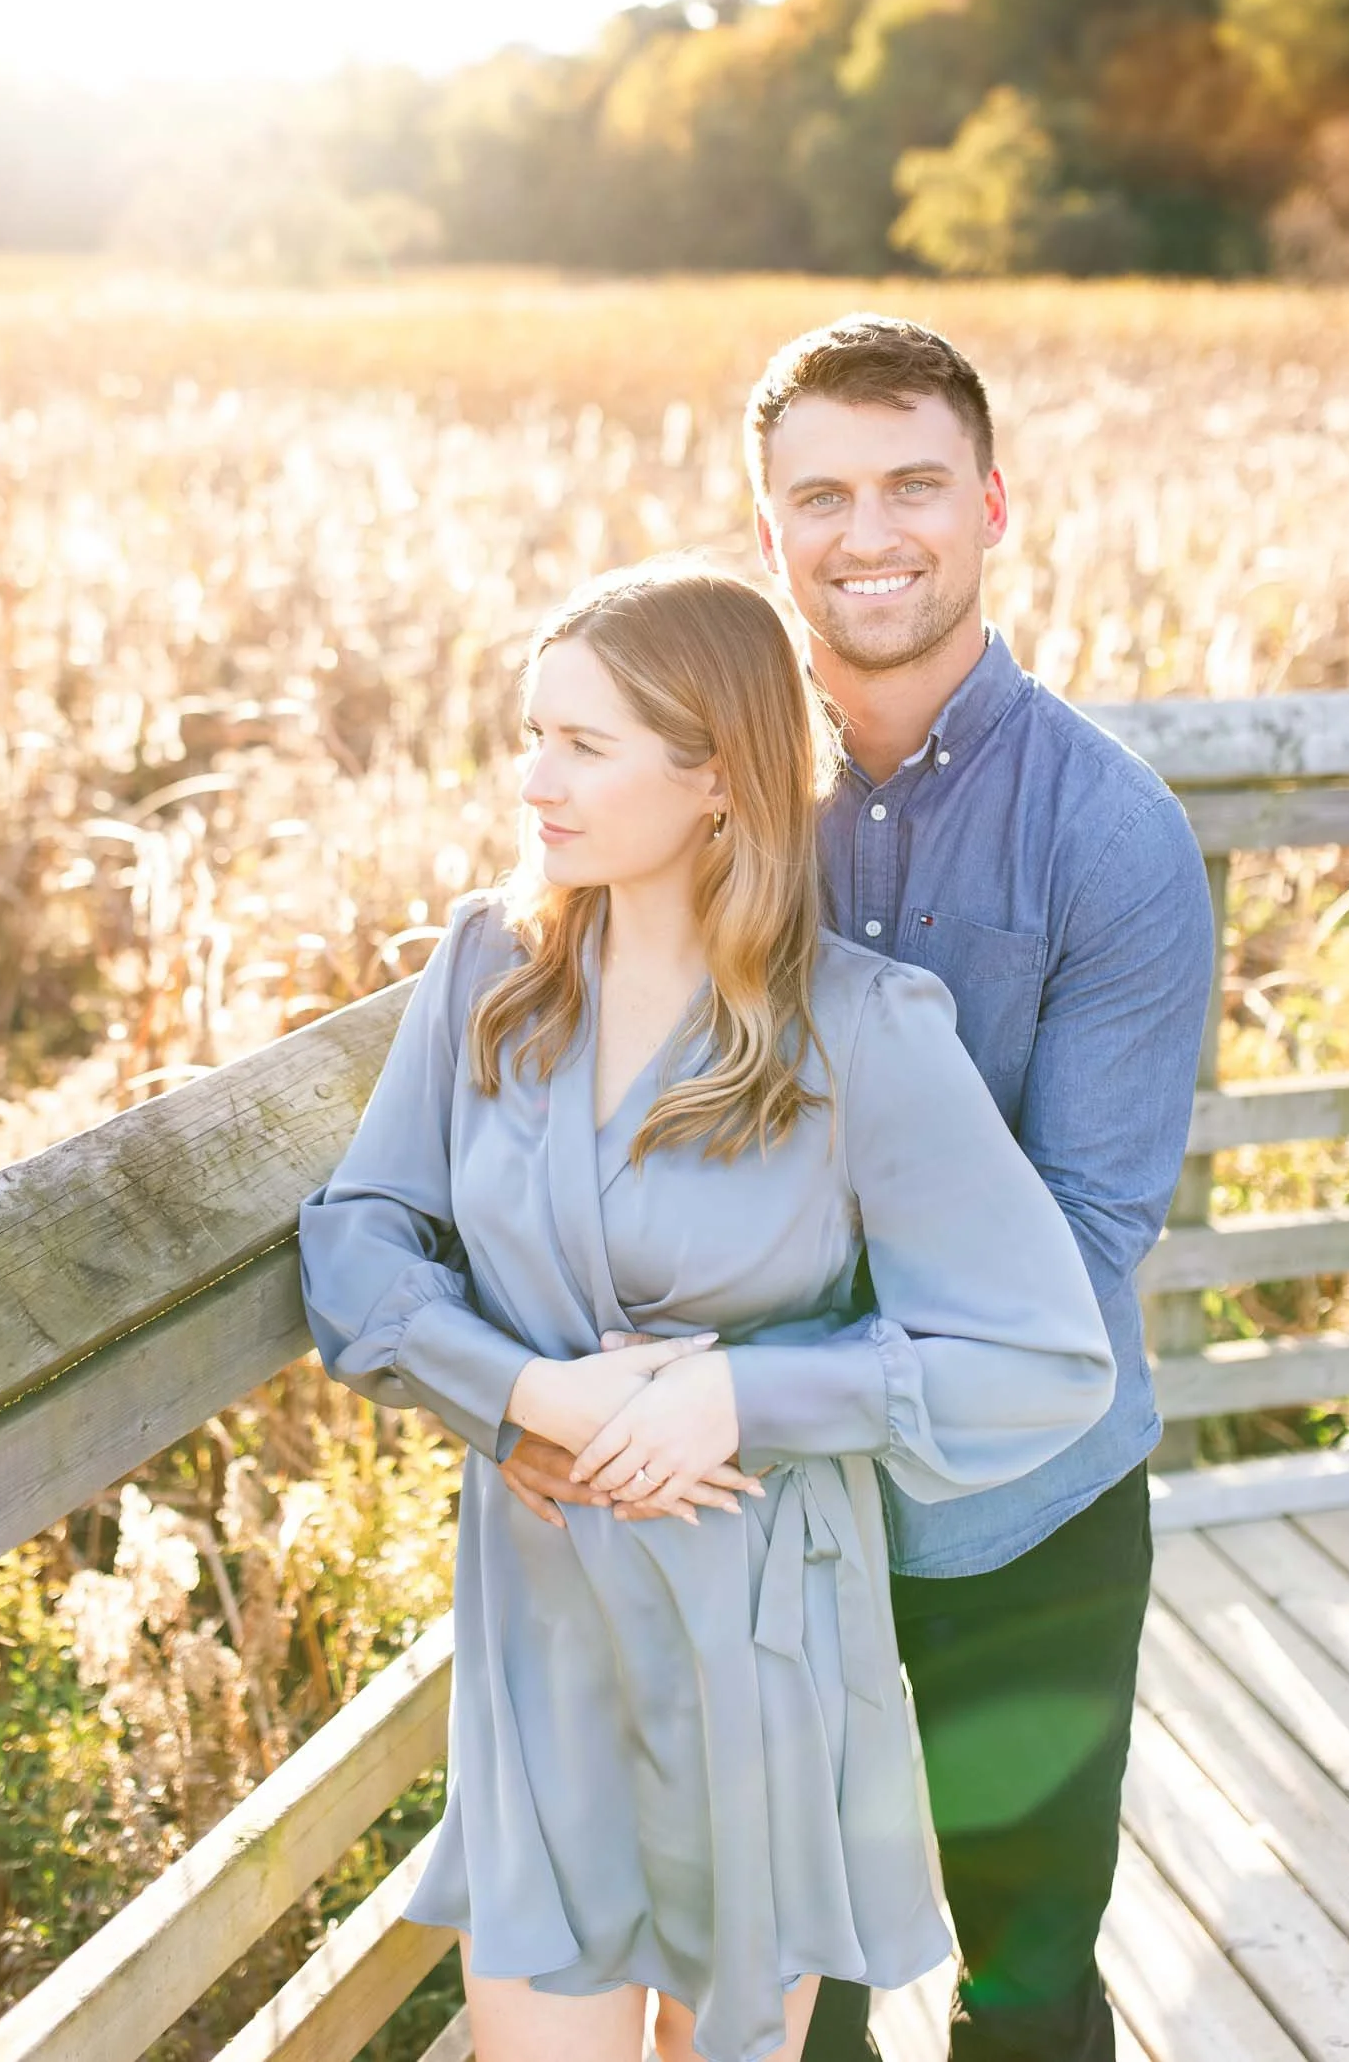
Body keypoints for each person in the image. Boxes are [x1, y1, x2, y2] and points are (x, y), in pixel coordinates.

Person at [498, 320, 1216, 2062]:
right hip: (746, 1528)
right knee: (778, 1990)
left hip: (1014, 1514)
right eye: (819, 493)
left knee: (1023, 1981)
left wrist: (752, 1384)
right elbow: (557, 1084)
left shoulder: (1108, 838)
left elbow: (1087, 1246)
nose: (868, 530)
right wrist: (535, 1379)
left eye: (911, 483)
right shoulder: (698, 802)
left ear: (989, 506)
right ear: (768, 534)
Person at [300, 556, 1117, 2062]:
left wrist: (742, 1395)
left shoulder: (862, 1032)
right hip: (541, 1631)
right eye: (530, 733)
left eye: (582, 745)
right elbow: (355, 1238)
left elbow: (1043, 1357)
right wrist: (516, 1396)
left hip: (759, 1637)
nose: (531, 780)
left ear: (718, 778)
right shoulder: (489, 968)